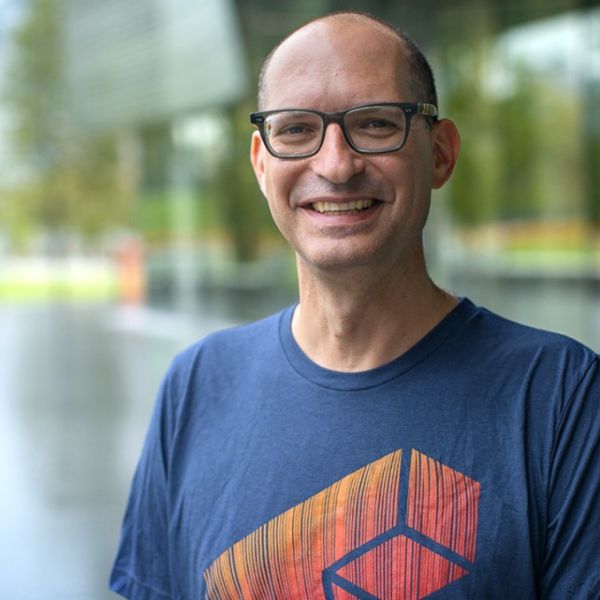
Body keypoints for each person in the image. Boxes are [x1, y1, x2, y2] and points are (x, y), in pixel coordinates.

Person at [110, 10, 600, 599]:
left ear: (441, 154)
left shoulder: (561, 398)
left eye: (374, 123)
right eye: (295, 130)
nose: (336, 164)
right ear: (261, 163)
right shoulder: (197, 384)